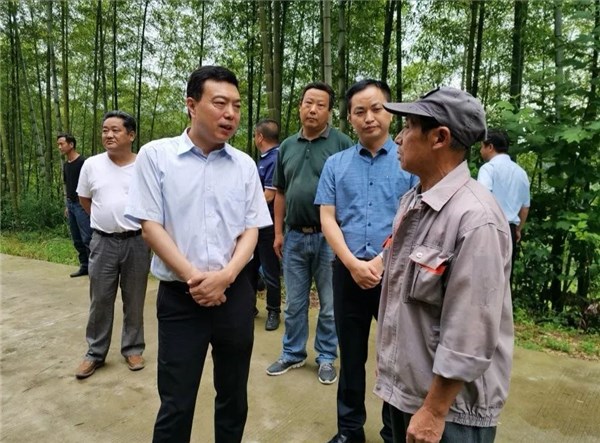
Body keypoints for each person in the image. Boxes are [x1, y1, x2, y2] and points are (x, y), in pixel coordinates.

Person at [125, 66, 271, 443]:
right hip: (180, 298)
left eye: (236, 105)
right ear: (191, 105)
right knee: (176, 401)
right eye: (220, 103)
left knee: (234, 396)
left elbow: (252, 229)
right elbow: (150, 226)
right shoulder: (156, 156)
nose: (231, 114)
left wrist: (226, 276)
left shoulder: (244, 165)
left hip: (234, 295)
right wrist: (196, 279)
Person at [374, 87, 514, 443]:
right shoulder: (414, 201)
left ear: (439, 137)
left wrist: (435, 410)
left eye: (408, 126)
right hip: (409, 395)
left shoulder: (476, 219)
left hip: (449, 413)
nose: (398, 137)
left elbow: (471, 332)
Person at [316, 79, 417, 443]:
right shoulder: (336, 164)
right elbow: (328, 217)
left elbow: (415, 219)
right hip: (347, 272)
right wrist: (352, 264)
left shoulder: (410, 162)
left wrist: (381, 262)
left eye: (376, 109)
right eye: (360, 111)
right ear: (349, 118)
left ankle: (394, 432)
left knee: (397, 358)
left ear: (390, 113)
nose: (369, 117)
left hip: (396, 274)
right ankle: (349, 431)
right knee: (351, 353)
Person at [266, 82, 353, 385]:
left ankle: (326, 356)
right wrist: (278, 233)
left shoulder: (342, 144)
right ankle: (292, 353)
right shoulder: (287, 146)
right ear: (300, 106)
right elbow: (280, 192)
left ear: (329, 111)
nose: (313, 110)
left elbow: (351, 191)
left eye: (320, 105)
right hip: (293, 236)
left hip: (330, 238)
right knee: (295, 303)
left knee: (329, 305)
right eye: (308, 103)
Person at [75, 110, 151, 380]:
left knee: (135, 298)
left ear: (131, 135)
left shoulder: (144, 164)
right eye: (105, 130)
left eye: (115, 130)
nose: (108, 135)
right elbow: (85, 200)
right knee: (100, 300)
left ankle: (133, 348)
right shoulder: (91, 165)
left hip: (137, 242)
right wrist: (105, 220)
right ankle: (95, 352)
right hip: (103, 242)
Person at [478, 130, 531, 282]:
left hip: (491, 228)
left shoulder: (488, 168)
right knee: (505, 278)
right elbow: (525, 207)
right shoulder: (521, 172)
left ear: (490, 147)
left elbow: (483, 198)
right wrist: (518, 230)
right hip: (511, 230)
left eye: (482, 146)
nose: (480, 151)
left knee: (485, 278)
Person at [252, 118, 283, 331]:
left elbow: (270, 195)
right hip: (254, 224)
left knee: (270, 269)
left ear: (260, 137)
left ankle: (273, 310)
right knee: (249, 266)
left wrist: (244, 208)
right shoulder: (263, 159)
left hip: (270, 225)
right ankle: (249, 306)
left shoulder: (276, 158)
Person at [57, 133, 92, 278]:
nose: (59, 147)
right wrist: (67, 205)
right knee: (76, 238)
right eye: (58, 145)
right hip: (71, 204)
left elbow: (90, 185)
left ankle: (95, 267)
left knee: (87, 237)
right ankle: (84, 266)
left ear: (71, 145)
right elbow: (68, 185)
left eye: (62, 144)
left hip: (81, 204)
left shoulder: (84, 163)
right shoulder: (66, 165)